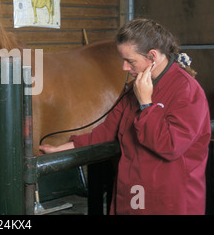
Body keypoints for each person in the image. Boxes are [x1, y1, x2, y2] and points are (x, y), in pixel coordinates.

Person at [40, 18, 211, 215]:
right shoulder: (133, 90)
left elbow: (170, 146)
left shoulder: (186, 90)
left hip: (168, 202)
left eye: (130, 61)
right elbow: (106, 131)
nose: (124, 68)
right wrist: (61, 149)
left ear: (152, 57)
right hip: (132, 195)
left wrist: (147, 104)